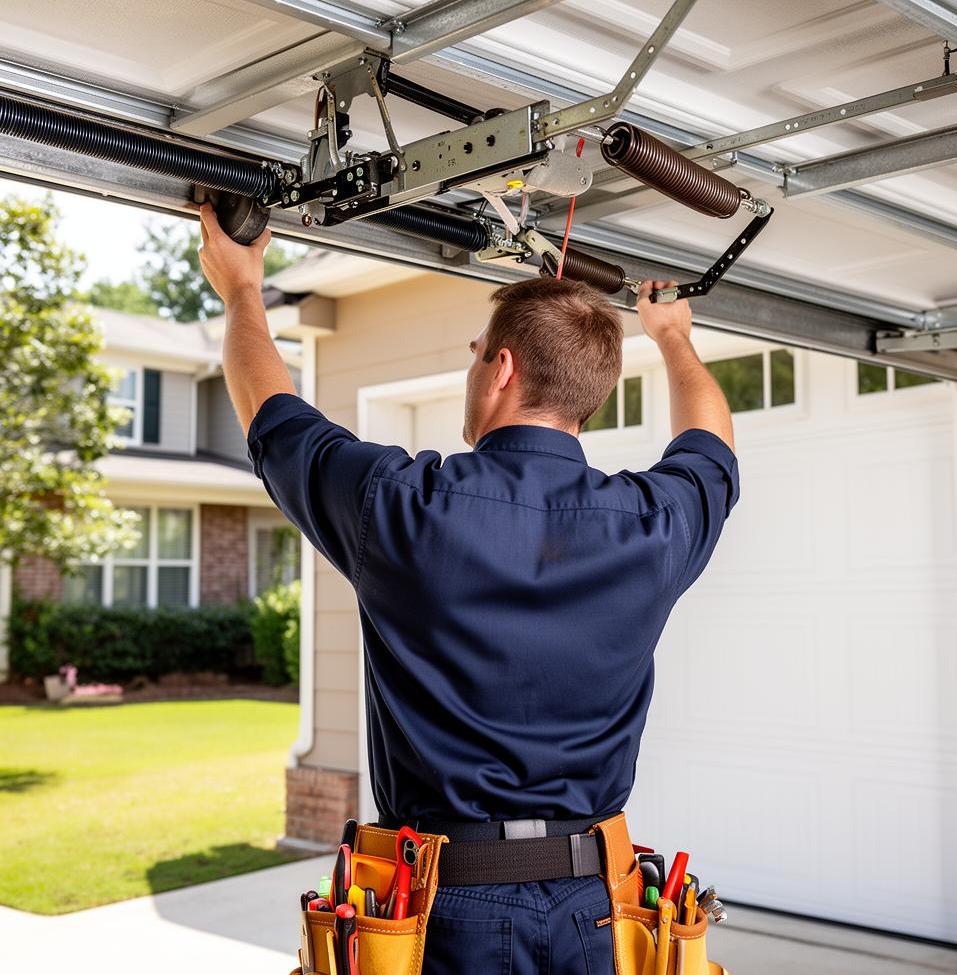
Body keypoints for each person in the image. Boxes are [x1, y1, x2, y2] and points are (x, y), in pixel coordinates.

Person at [198, 202, 738, 975]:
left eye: (477, 352)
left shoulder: (401, 505)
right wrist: (675, 337)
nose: (471, 368)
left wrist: (242, 292)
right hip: (597, 910)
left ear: (504, 369)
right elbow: (712, 448)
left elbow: (273, 417)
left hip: (450, 913)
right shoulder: (653, 525)